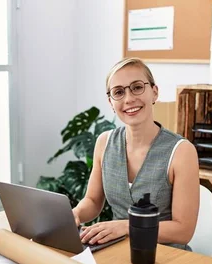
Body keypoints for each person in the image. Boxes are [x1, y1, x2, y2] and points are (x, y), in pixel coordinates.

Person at [72, 57, 199, 250]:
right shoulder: (104, 143)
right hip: (117, 252)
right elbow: (93, 201)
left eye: (137, 87)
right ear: (111, 102)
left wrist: (126, 226)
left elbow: (183, 231)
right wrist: (76, 214)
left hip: (166, 257)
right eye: (119, 92)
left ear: (154, 93)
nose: (129, 99)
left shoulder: (182, 151)